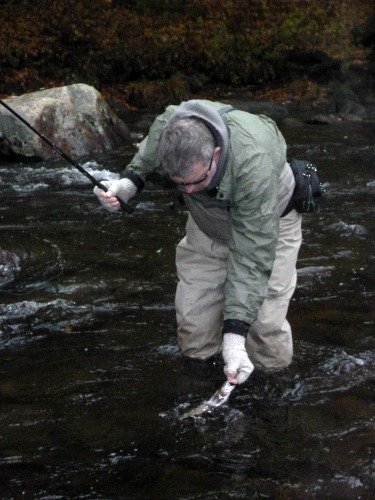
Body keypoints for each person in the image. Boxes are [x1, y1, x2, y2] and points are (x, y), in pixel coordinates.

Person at [94, 99, 302, 386]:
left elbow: (252, 255)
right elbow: (149, 151)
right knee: (194, 326)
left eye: (196, 181)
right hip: (207, 225)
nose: (189, 190)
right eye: (181, 184)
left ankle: (273, 395)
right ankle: (200, 388)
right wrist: (128, 185)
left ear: (216, 155)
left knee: (262, 328)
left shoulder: (254, 162)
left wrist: (234, 335)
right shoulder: (171, 127)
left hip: (269, 222)